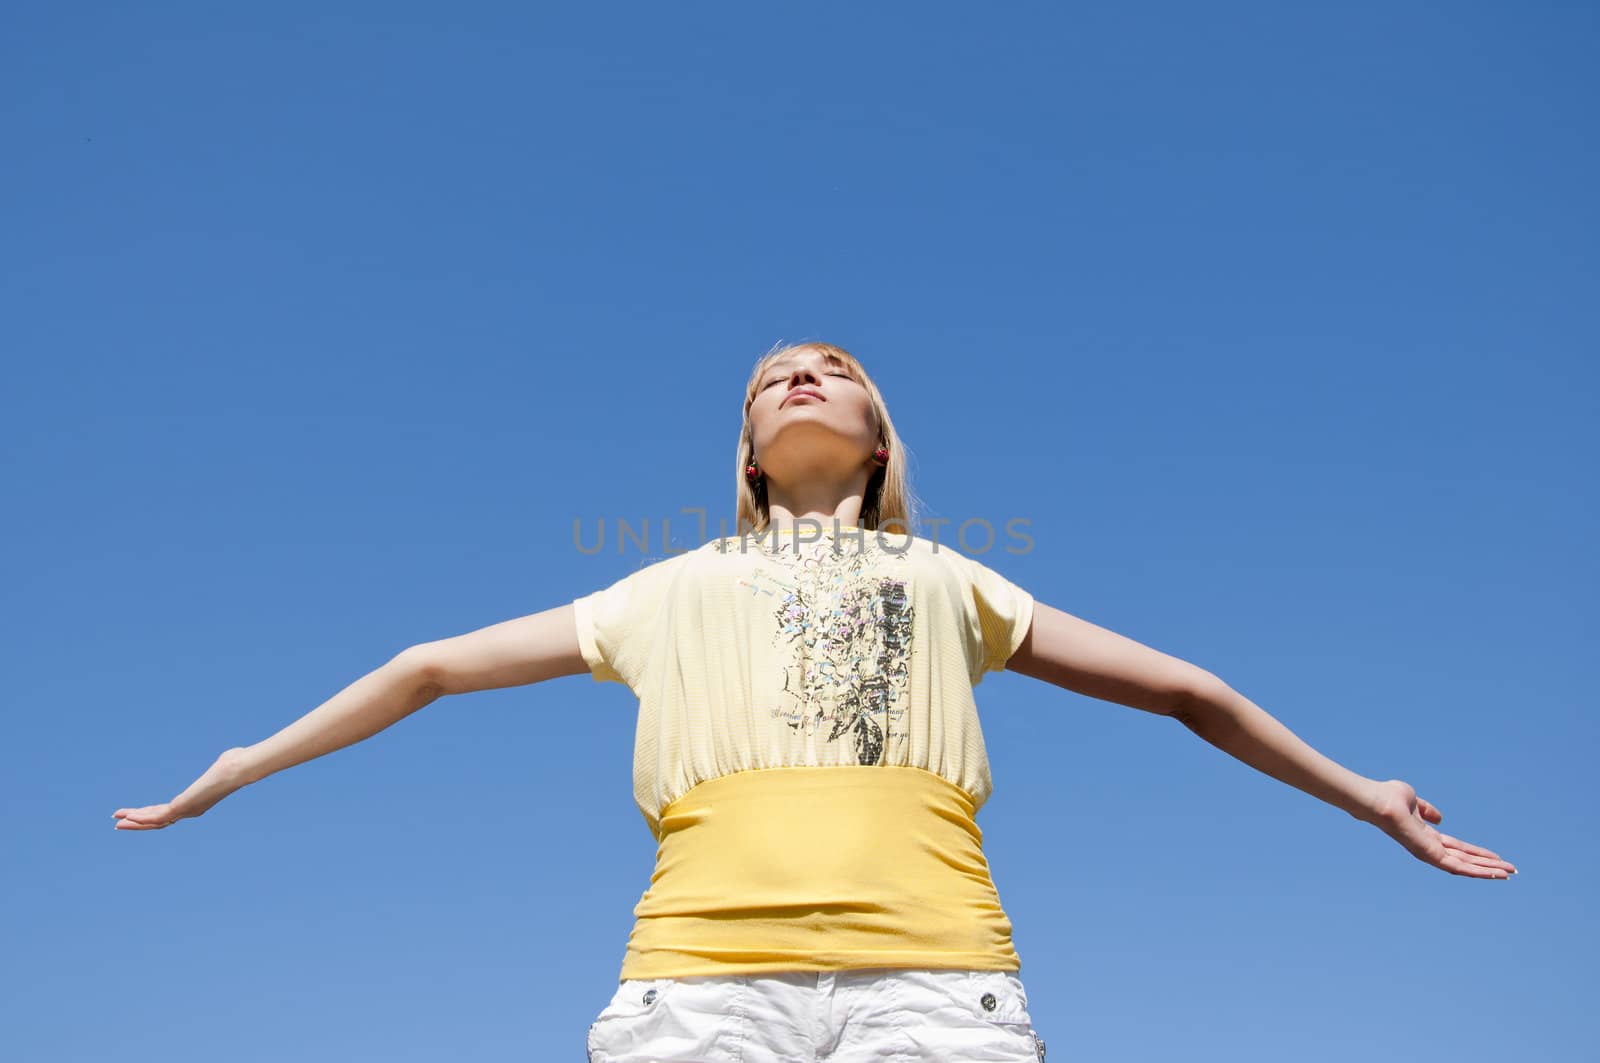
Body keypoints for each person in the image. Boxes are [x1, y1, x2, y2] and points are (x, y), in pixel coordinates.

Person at [114, 341, 1519, 1063]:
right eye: (771, 376)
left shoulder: (959, 583)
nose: (801, 374)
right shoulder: (652, 595)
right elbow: (424, 666)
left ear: (877, 433)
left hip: (939, 985)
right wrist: (245, 761)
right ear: (743, 445)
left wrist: (1366, 795)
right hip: (694, 991)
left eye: (834, 368)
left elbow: (1189, 692)